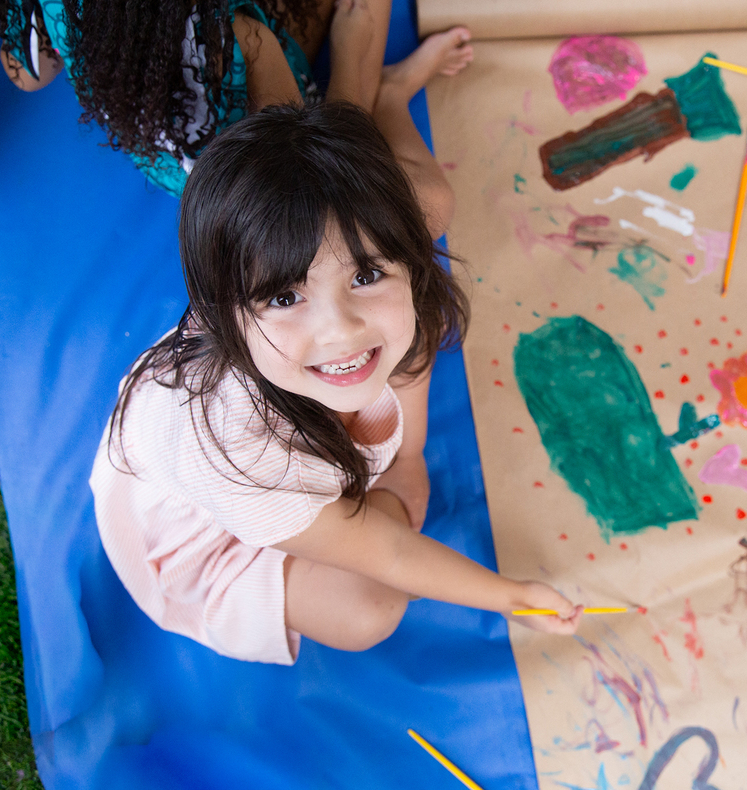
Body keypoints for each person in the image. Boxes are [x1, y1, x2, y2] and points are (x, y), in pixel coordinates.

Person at [89, 102, 583, 664]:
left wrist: (408, 459)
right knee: (368, 610)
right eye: (284, 297)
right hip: (212, 533)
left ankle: (386, 94)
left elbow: (412, 350)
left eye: (366, 275)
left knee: (429, 223)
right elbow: (390, 552)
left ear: (409, 264)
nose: (341, 329)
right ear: (226, 316)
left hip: (296, 446)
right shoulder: (226, 447)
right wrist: (512, 598)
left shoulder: (390, 309)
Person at [0, 0, 471, 198]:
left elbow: (28, 73)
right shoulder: (238, 37)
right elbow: (315, 156)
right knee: (363, 6)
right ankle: (390, 93)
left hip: (173, 163)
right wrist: (351, 53)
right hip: (275, 177)